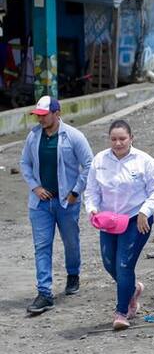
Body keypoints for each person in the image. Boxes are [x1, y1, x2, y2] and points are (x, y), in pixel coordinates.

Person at [84, 120, 154, 330]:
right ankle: (132, 288)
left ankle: (122, 312)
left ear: (132, 138)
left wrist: (145, 211)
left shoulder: (144, 161)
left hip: (135, 220)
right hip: (109, 220)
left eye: (122, 139)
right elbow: (92, 190)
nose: (118, 143)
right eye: (114, 139)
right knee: (109, 263)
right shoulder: (100, 160)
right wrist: (92, 208)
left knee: (124, 265)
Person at [20, 95, 93, 314]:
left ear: (56, 113)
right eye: (38, 115)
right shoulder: (33, 137)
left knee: (71, 242)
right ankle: (45, 293)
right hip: (40, 203)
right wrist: (35, 187)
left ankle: (73, 274)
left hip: (66, 203)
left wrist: (75, 192)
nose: (40, 119)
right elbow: (24, 163)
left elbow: (90, 164)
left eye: (44, 115)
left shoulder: (74, 136)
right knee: (41, 246)